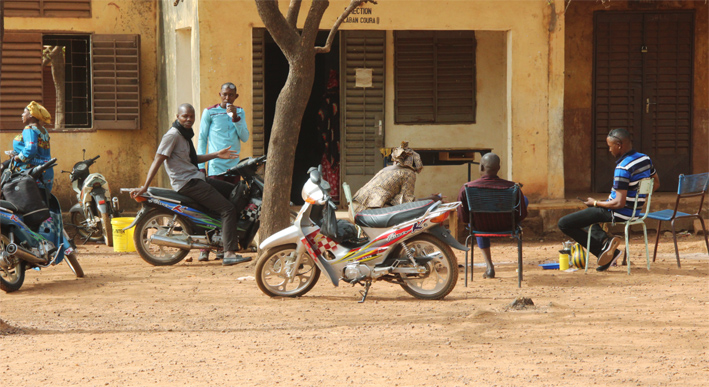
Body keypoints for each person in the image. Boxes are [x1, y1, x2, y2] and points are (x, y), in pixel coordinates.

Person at [131, 104, 249, 266]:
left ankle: (222, 238)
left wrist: (216, 154)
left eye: (191, 117)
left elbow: (192, 160)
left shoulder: (184, 134)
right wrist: (145, 186)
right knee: (227, 209)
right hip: (188, 183)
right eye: (185, 116)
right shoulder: (172, 135)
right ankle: (228, 253)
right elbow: (158, 160)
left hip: (196, 178)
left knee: (234, 191)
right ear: (177, 116)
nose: (188, 119)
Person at [558, 128, 660, 271]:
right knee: (587, 217)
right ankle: (607, 247)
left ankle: (605, 243)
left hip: (618, 212)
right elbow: (656, 183)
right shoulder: (644, 159)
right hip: (634, 211)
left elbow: (619, 203)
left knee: (564, 223)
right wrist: (639, 198)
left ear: (618, 145)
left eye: (610, 146)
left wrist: (595, 203)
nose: (609, 150)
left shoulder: (623, 168)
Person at [197, 82, 250, 261]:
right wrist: (200, 167)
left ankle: (222, 246)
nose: (227, 98)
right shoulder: (209, 112)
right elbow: (202, 138)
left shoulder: (240, 112)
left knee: (231, 208)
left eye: (231, 95)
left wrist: (235, 118)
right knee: (211, 207)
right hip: (214, 168)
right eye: (224, 95)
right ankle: (204, 247)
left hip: (234, 168)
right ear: (220, 94)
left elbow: (244, 137)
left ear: (236, 96)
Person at [457, 153, 528, 279]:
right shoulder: (513, 187)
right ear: (498, 168)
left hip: (480, 228)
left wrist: (475, 220)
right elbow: (521, 215)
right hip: (508, 226)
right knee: (524, 199)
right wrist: (515, 222)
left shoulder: (467, 188)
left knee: (477, 218)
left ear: (482, 167)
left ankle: (489, 266)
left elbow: (464, 219)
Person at [351, 142, 435, 214]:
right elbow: (406, 203)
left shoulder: (386, 170)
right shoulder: (408, 173)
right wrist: (429, 200)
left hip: (354, 209)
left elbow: (397, 201)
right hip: (368, 212)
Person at [11, 101, 54, 192]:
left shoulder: (29, 129)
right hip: (47, 171)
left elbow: (31, 149)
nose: (22, 115)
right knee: (44, 201)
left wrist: (18, 157)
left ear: (31, 115)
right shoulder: (43, 131)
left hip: (33, 173)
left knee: (30, 203)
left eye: (24, 112)